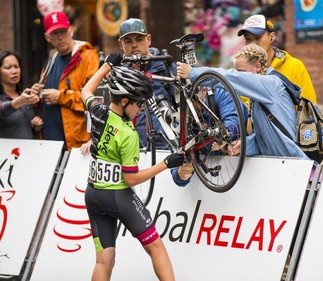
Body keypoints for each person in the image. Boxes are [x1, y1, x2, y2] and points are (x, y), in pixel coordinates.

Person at [80, 54, 185, 281]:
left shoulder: (98, 112)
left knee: (103, 261)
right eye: (139, 103)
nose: (141, 108)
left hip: (93, 195)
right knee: (156, 247)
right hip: (118, 196)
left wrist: (107, 65)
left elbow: (85, 91)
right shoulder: (128, 135)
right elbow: (132, 180)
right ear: (125, 101)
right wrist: (165, 164)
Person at [177, 43, 309, 160]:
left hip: (296, 164)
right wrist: (241, 146)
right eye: (237, 71)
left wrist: (194, 73)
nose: (239, 75)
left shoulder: (272, 84)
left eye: (241, 72)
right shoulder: (259, 97)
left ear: (258, 66)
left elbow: (233, 78)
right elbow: (264, 140)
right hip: (282, 164)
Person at [31, 11, 99, 151]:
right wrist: (36, 101)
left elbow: (96, 100)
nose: (60, 37)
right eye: (55, 33)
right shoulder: (51, 60)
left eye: (63, 31)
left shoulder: (88, 57)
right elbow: (45, 102)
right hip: (50, 143)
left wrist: (61, 96)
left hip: (78, 145)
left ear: (71, 30)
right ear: (47, 37)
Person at [117, 18, 176, 150]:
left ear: (148, 40)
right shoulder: (120, 74)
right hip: (133, 145)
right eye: (128, 41)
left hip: (166, 143)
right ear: (121, 44)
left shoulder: (165, 66)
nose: (134, 45)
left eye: (139, 39)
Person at [237, 14, 317, 103]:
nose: (252, 43)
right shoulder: (242, 70)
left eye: (257, 37)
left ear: (272, 37)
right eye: (248, 39)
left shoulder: (294, 66)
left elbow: (309, 107)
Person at [0, 50, 43, 139]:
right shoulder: (22, 99)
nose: (14, 71)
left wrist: (35, 127)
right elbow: (2, 110)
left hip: (26, 150)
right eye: (8, 68)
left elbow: (23, 129)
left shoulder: (24, 96)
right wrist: (20, 101)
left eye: (16, 66)